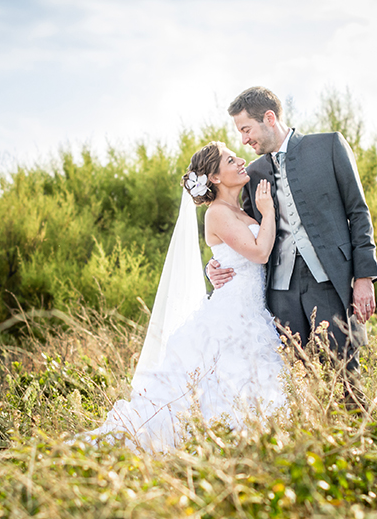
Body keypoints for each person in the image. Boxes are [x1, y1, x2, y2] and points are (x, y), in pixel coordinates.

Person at [80, 142, 286, 452]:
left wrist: (213, 267)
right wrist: (269, 212)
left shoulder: (240, 208)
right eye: (231, 159)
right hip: (231, 316)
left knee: (243, 384)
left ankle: (242, 446)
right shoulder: (217, 212)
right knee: (220, 382)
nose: (241, 160)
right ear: (214, 177)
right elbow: (258, 252)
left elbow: (235, 254)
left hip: (251, 312)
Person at [207, 86, 377, 410]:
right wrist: (214, 265)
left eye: (246, 129)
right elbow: (240, 228)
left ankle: (359, 448)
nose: (244, 140)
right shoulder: (254, 172)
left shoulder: (328, 146)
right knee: (288, 386)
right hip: (278, 293)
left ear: (269, 118)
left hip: (329, 283)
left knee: (344, 378)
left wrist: (364, 277)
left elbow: (358, 212)